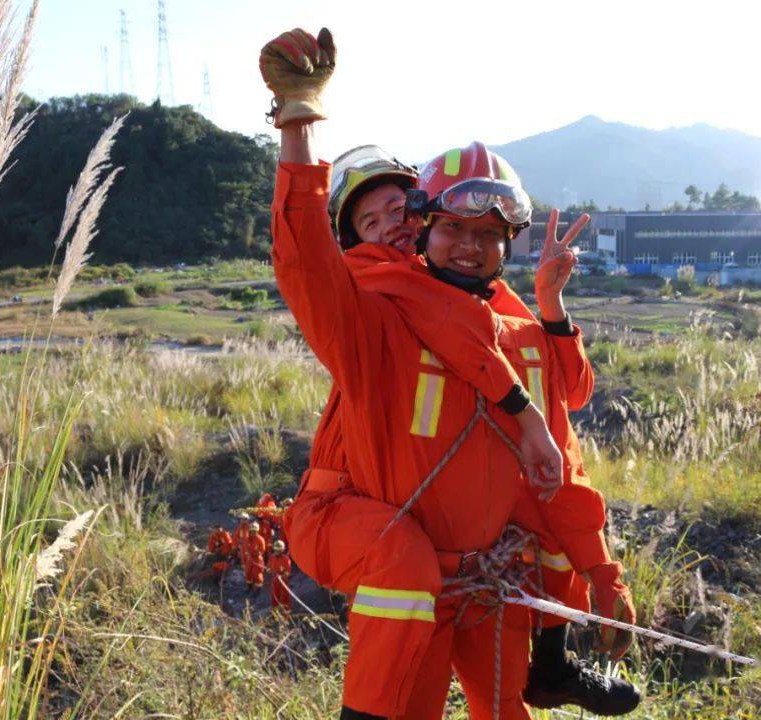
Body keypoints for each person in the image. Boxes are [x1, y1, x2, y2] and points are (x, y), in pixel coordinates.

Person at [262, 27, 638, 719]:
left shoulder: (508, 327)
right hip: (388, 545)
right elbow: (306, 264)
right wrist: (298, 124)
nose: (395, 231)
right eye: (372, 221)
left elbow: (559, 463)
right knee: (407, 655)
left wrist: (600, 571)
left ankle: (553, 665)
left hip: (480, 573)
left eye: (488, 235)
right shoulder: (370, 318)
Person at [267, 539, 293, 614]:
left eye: (278, 550)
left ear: (282, 550)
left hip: (283, 582)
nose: (276, 552)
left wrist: (281, 575)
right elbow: (269, 568)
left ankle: (285, 617)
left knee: (284, 598)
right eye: (275, 550)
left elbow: (288, 572)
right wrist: (268, 570)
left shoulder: (286, 559)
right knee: (274, 597)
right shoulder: (272, 558)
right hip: (274, 581)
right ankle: (275, 615)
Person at [241, 520, 267, 593]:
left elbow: (262, 550)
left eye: (254, 531)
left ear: (257, 531)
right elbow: (245, 547)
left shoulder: (260, 539)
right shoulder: (248, 539)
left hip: (257, 559)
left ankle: (258, 590)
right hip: (250, 558)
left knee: (257, 574)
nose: (253, 532)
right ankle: (249, 587)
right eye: (252, 531)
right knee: (248, 572)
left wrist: (256, 554)